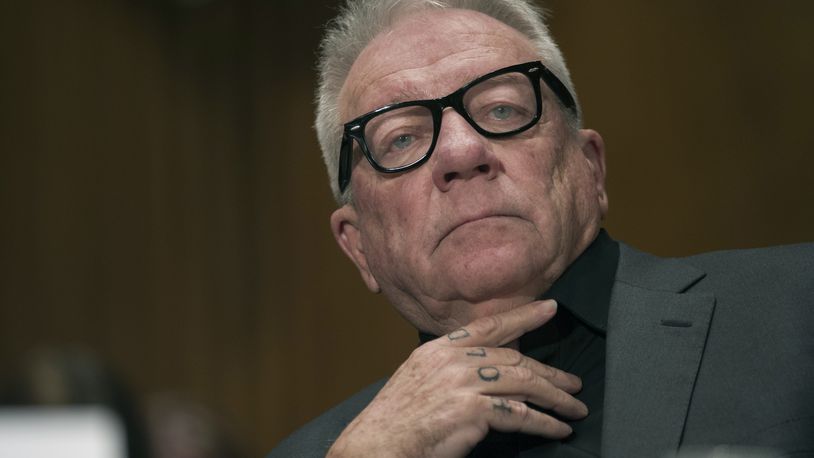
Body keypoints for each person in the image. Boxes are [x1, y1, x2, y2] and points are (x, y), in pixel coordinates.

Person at [270, 0, 814, 456]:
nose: (462, 150)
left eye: (503, 109)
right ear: (359, 245)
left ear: (590, 167)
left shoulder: (797, 305)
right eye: (402, 139)